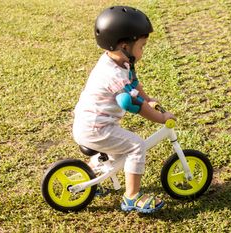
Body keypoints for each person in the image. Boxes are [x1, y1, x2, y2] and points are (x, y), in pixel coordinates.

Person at [72, 6, 175, 214]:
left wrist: (149, 99)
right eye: (142, 46)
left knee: (116, 150)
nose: (143, 51)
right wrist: (160, 117)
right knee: (136, 145)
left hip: (92, 123)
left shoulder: (118, 61)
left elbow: (134, 83)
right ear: (125, 46)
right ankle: (131, 197)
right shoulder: (113, 75)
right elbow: (131, 104)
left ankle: (92, 175)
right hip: (96, 129)